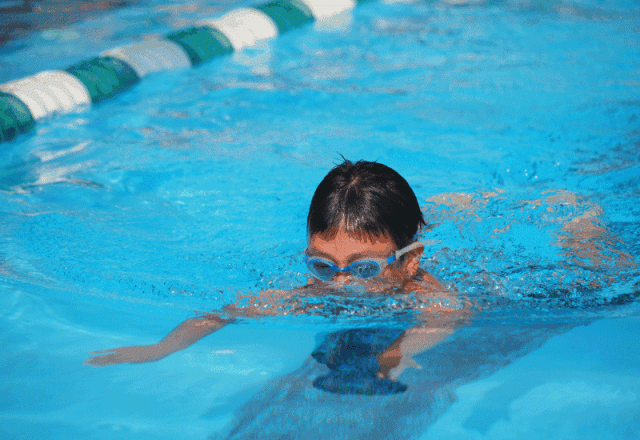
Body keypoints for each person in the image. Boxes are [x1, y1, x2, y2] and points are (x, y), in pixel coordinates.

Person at [85, 160, 464, 381]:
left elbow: (449, 318)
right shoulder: (317, 292)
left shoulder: (418, 287)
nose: (341, 283)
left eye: (365, 269)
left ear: (409, 261)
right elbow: (224, 314)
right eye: (322, 265)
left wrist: (396, 353)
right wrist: (161, 348)